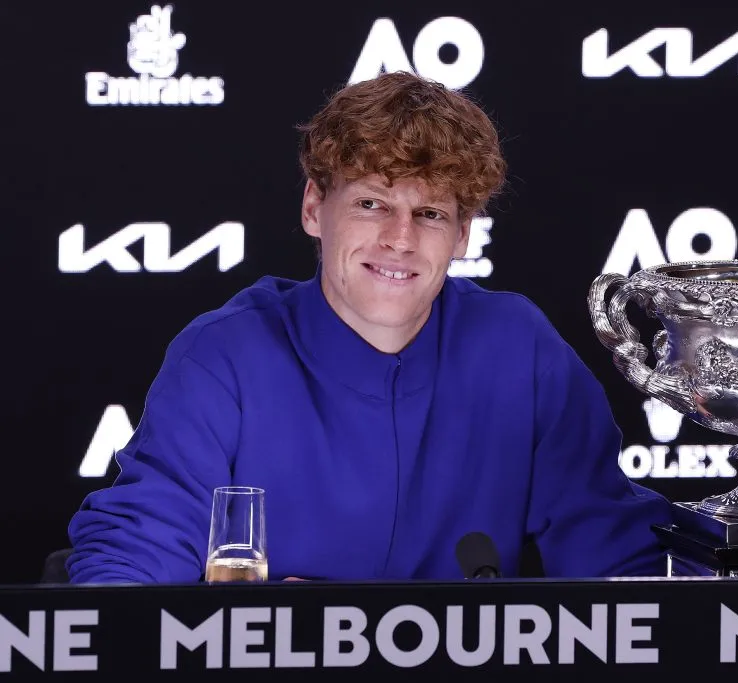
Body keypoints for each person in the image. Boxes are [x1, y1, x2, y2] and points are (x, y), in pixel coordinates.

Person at [66, 71, 673, 584]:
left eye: (429, 213)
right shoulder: (224, 354)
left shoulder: (520, 349)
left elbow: (618, 555)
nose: (399, 239)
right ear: (314, 208)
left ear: (462, 236)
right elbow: (132, 557)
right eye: (371, 203)